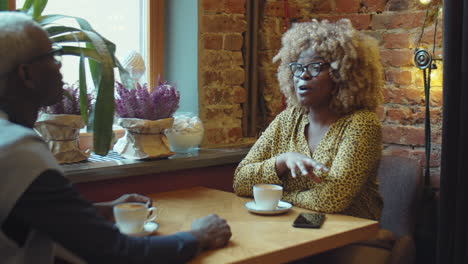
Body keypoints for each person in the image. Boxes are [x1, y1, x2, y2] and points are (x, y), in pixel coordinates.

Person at [0, 12, 231, 264]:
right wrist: (199, 236)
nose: (59, 65)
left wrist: (105, 210)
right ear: (26, 75)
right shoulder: (16, 149)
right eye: (52, 56)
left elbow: (41, 214)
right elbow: (118, 253)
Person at [233, 18, 384, 221]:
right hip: (293, 227)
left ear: (342, 74)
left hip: (349, 233)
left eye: (315, 67)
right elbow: (240, 180)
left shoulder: (361, 124)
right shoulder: (288, 119)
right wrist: (282, 160)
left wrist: (277, 198)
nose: (302, 76)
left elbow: (331, 199)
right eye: (297, 67)